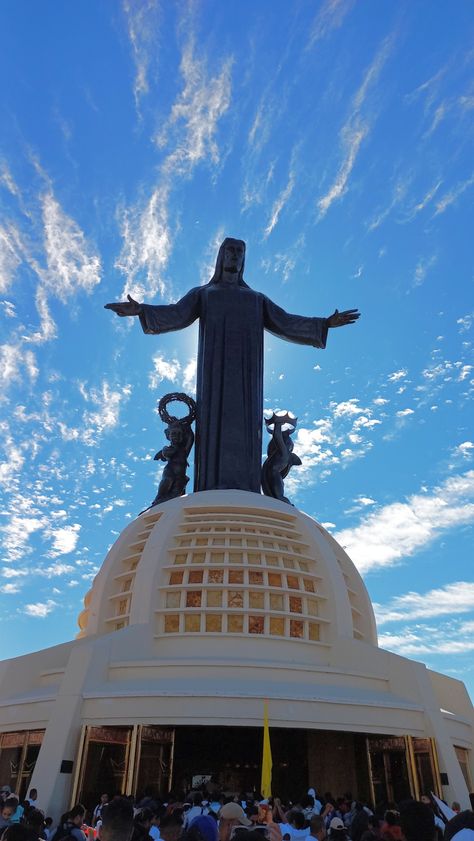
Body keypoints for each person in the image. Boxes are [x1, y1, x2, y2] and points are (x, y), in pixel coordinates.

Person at [105, 237, 359, 494]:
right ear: (221, 256)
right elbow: (176, 314)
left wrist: (324, 324)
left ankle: (247, 492)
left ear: (244, 259)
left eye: (240, 251)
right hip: (213, 375)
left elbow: (286, 322)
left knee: (246, 429)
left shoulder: (256, 299)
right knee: (213, 426)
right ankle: (210, 491)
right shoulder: (204, 294)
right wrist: (142, 311)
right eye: (230, 250)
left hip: (248, 378)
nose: (235, 255)